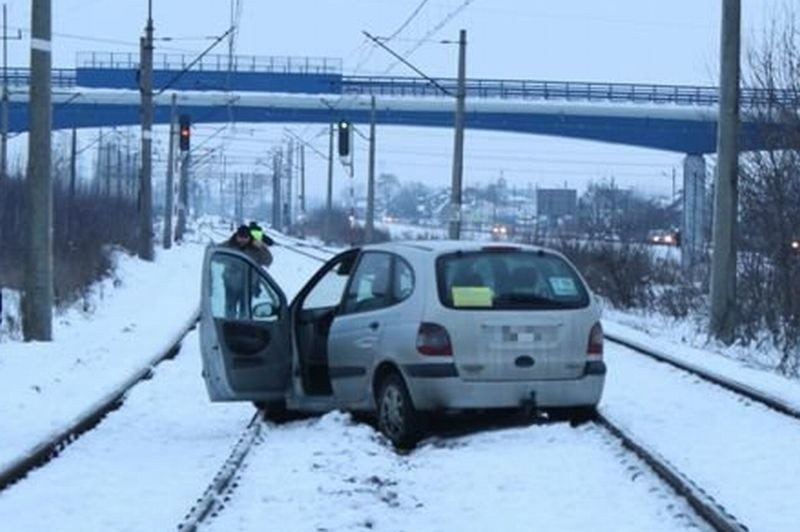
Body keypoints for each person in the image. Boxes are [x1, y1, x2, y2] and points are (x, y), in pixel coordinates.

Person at [221, 225, 273, 318]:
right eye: (240, 237)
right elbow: (216, 255)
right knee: (229, 309)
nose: (242, 240)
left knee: (245, 311)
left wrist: (262, 248)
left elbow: (268, 261)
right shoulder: (229, 245)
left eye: (245, 238)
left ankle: (243, 327)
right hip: (231, 284)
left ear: (249, 238)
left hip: (248, 285)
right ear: (236, 236)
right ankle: (229, 327)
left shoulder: (256, 248)